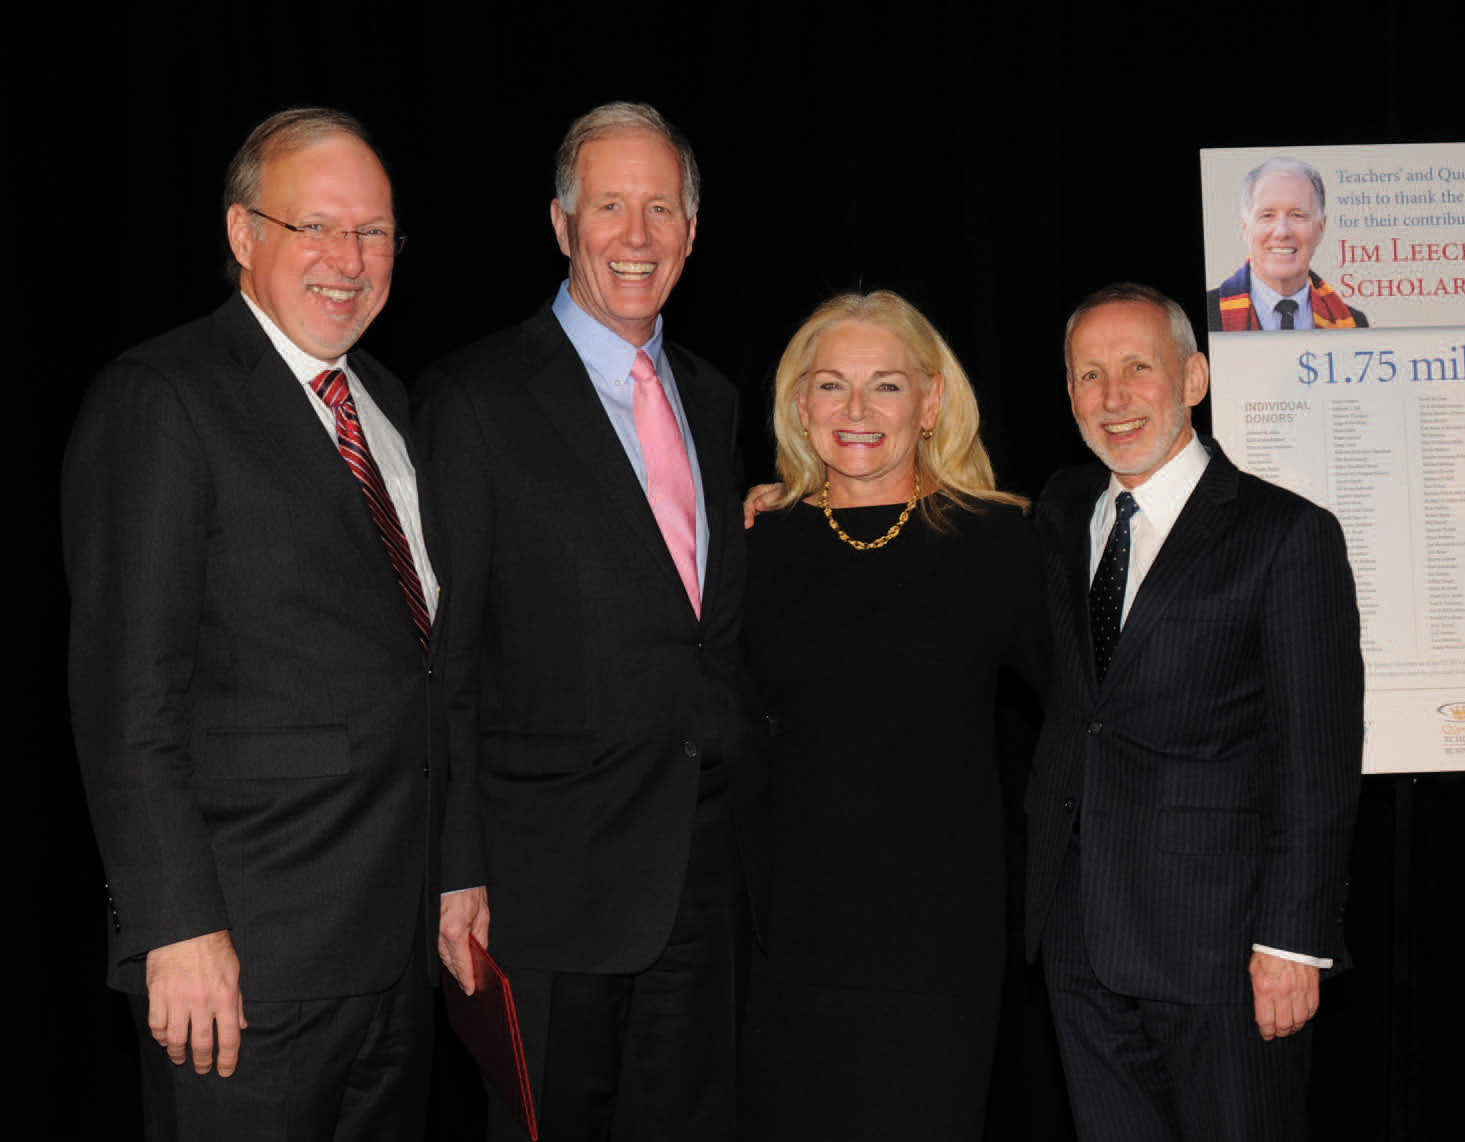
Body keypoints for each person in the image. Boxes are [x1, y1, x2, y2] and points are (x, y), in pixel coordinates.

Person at [62, 107, 478, 1141]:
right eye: (317, 228)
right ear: (245, 235)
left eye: (375, 232)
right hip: (245, 961)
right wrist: (176, 924)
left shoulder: (383, 398)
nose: (350, 259)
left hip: (389, 955)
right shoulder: (163, 396)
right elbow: (127, 694)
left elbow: (420, 667)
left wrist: (452, 871)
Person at [414, 102, 754, 1142]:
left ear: (694, 232)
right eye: (611, 205)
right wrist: (455, 863)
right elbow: (447, 656)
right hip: (542, 884)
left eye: (662, 208)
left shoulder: (717, 398)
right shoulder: (471, 398)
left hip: (702, 874)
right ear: (563, 223)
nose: (638, 234)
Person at [1026, 283, 1363, 1140]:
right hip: (1078, 941)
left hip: (1226, 952)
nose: (1112, 397)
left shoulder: (1285, 537)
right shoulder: (1062, 512)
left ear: (1194, 377)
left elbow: (1316, 759)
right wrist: (797, 499)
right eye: (1088, 375)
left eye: (1137, 368)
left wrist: (1292, 943)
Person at [737, 290, 1047, 1141]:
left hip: (938, 941)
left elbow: (1092, 715)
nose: (857, 411)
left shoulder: (1001, 542)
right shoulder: (754, 546)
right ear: (799, 404)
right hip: (788, 942)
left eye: (886, 385)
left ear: (932, 401)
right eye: (831, 385)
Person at [1207, 157, 1368, 331]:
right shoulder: (1208, 314)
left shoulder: (1354, 324)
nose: (1282, 232)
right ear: (1246, 228)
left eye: (1297, 215)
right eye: (1267, 215)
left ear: (1321, 228)